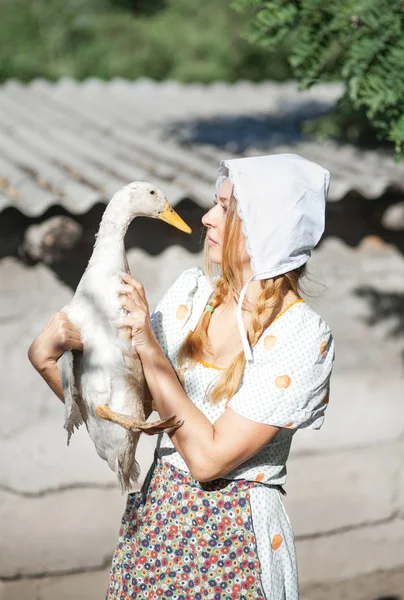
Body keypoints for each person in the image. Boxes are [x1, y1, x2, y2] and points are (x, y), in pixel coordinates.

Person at [28, 153, 335, 600]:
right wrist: (48, 365)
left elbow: (209, 460)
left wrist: (148, 346)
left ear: (270, 226)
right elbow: (131, 413)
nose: (208, 217)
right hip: (156, 528)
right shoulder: (192, 294)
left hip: (232, 545)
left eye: (226, 208)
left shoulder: (301, 335)